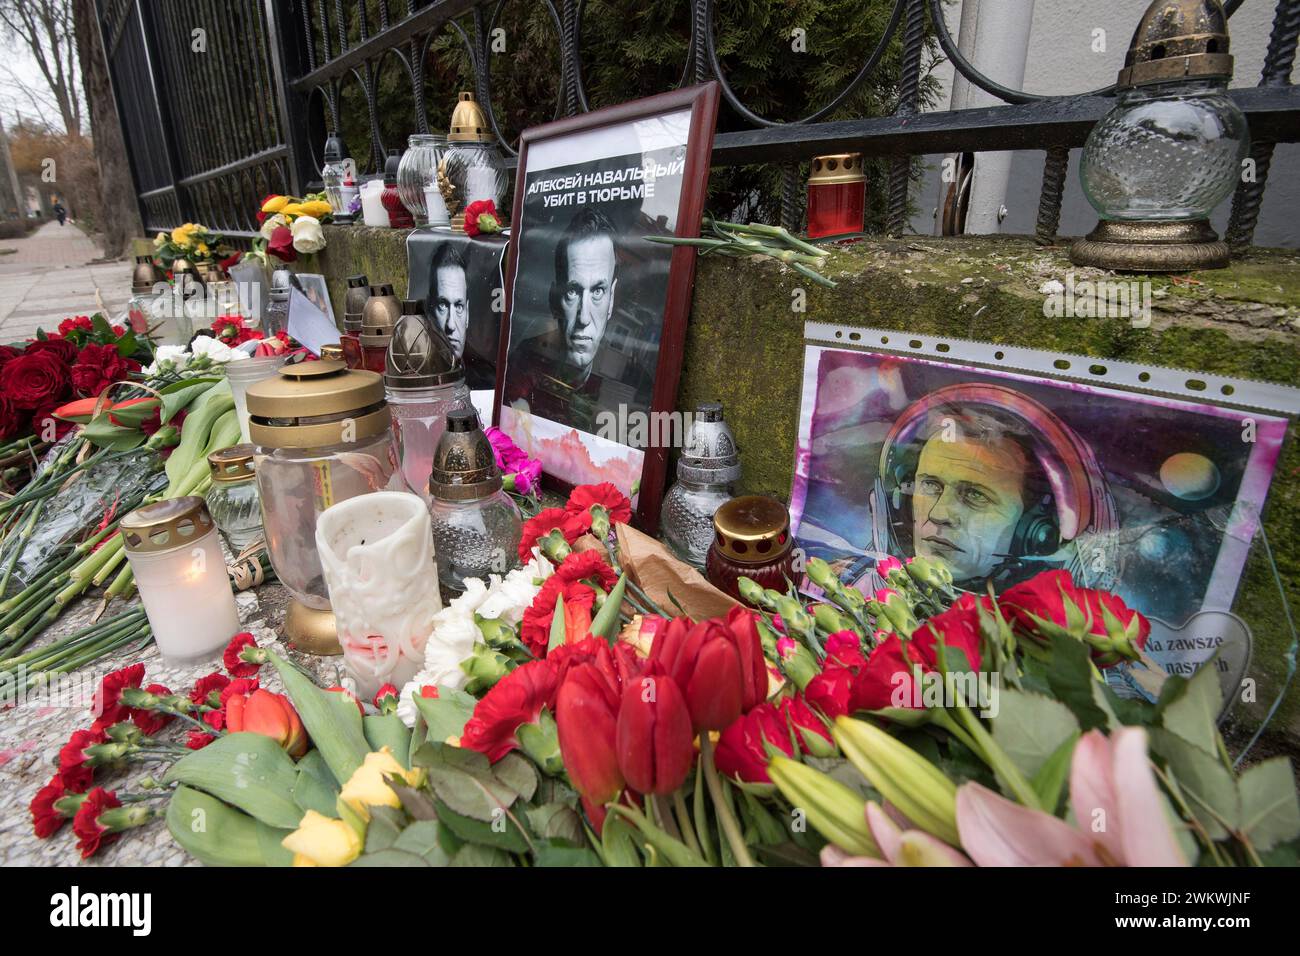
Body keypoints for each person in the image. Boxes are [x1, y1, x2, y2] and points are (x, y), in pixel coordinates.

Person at [838, 383, 1118, 594]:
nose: (940, 514)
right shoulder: (843, 592)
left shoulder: (1069, 646)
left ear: (1038, 533)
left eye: (974, 495)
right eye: (931, 485)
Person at [430, 243, 469, 358]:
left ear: (468, 315)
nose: (451, 325)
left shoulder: (487, 374)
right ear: (430, 309)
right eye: (442, 305)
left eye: (459, 307)